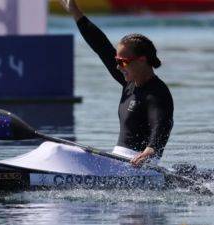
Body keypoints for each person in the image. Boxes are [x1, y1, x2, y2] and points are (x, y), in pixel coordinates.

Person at [60, 0, 174, 166]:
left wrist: (151, 149)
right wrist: (76, 12)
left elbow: (162, 124)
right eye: (117, 61)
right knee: (63, 150)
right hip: (119, 162)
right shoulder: (130, 83)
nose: (118, 67)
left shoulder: (158, 93)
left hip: (140, 166)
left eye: (122, 61)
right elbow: (101, 45)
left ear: (142, 60)